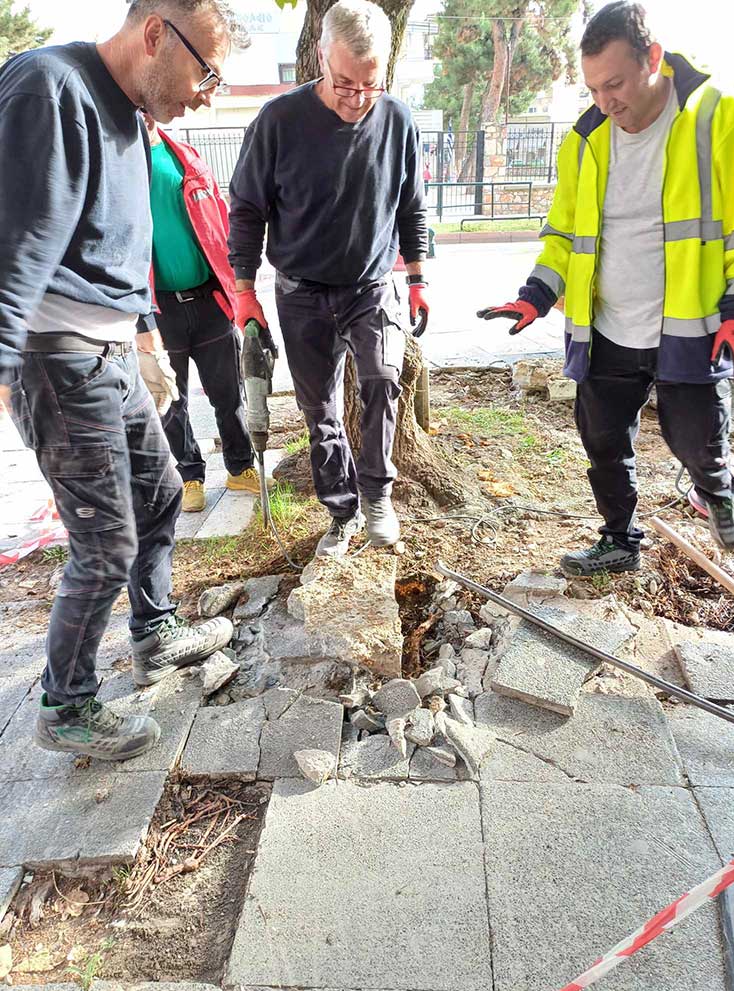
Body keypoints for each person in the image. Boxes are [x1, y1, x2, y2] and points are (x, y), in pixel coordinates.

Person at [0, 0, 248, 762]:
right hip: (54, 352)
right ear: (153, 35)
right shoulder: (50, 87)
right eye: (206, 69)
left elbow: (122, 239)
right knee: (103, 542)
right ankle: (66, 703)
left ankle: (154, 629)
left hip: (110, 348)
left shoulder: (133, 118)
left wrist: (145, 339)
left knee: (164, 493)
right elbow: (17, 238)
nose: (209, 90)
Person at [479, 0, 734, 576]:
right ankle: (620, 540)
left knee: (696, 440)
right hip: (608, 329)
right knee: (602, 442)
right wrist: (536, 294)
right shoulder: (585, 140)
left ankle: (716, 485)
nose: (606, 101)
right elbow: (564, 235)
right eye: (595, 88)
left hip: (691, 326)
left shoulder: (719, 120)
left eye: (617, 84)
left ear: (653, 58)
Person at [228, 0, 429, 558]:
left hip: (370, 287)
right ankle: (340, 513)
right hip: (301, 292)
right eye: (344, 83)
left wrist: (418, 276)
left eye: (369, 85)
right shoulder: (278, 121)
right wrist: (244, 292)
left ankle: (377, 496)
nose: (356, 98)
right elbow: (245, 209)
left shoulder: (397, 120)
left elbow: (413, 206)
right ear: (321, 54)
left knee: (383, 380)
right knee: (320, 413)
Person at [143, 113, 263, 513]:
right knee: (171, 401)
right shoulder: (117, 163)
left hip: (208, 299)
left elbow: (218, 225)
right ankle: (190, 475)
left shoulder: (185, 158)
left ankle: (240, 466)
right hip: (159, 310)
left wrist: (235, 285)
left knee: (228, 393)